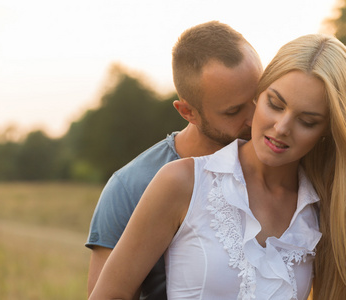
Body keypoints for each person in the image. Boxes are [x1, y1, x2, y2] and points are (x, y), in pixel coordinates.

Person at [89, 34, 346, 300]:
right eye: (274, 104)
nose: (282, 127)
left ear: (329, 130)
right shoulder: (181, 181)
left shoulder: (327, 207)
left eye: (307, 121)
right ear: (258, 96)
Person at [85, 21, 263, 299]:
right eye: (233, 111)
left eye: (259, 97)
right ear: (187, 112)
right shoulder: (130, 187)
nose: (256, 118)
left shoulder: (278, 165)